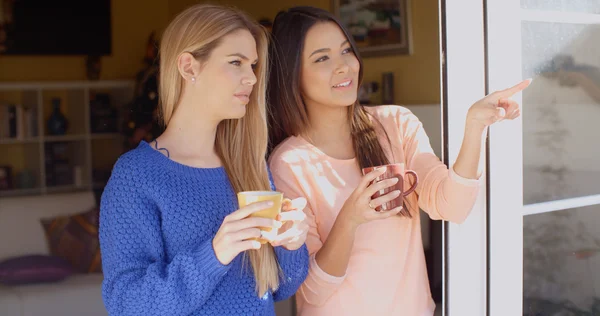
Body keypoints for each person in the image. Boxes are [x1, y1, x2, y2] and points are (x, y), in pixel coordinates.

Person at [266, 6, 530, 316]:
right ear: (291, 74)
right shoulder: (289, 162)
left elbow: (452, 205)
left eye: (346, 51)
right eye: (322, 58)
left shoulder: (396, 124)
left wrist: (474, 127)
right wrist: (349, 219)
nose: (344, 67)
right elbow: (313, 291)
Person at [98, 4, 309, 316]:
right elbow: (127, 304)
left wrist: (291, 245)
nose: (251, 78)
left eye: (252, 65)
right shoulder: (136, 175)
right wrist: (214, 254)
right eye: (236, 62)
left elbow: (278, 289)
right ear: (188, 67)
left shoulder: (249, 164)